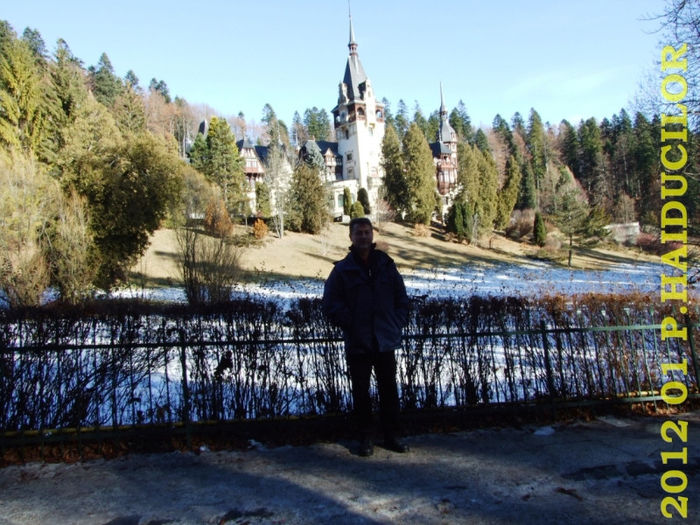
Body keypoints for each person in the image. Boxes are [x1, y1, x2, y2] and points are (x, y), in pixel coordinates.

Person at [322, 217, 409, 456]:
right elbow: (330, 304)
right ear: (350, 237)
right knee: (361, 394)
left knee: (389, 391)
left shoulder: (386, 264)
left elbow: (401, 298)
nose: (363, 236)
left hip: (384, 340)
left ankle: (392, 436)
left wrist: (396, 322)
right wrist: (350, 325)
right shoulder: (342, 270)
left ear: (373, 235)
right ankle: (365, 439)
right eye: (358, 233)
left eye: (367, 232)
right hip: (358, 342)